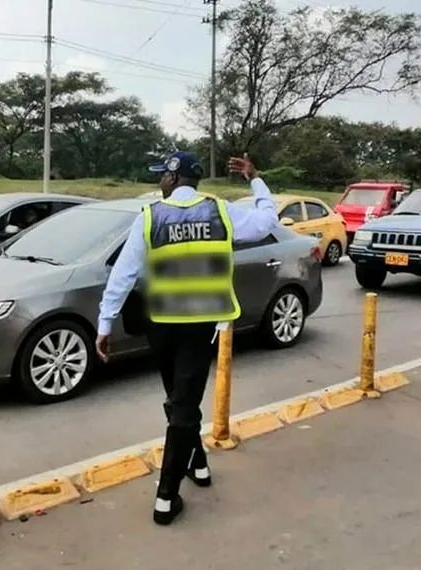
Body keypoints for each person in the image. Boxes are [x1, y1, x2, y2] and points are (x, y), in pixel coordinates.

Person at [94, 151, 279, 526]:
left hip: (161, 325)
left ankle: (166, 494)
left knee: (178, 402)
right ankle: (196, 463)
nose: (159, 181)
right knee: (182, 404)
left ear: (175, 178)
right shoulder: (220, 211)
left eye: (162, 175)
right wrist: (254, 179)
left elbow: (124, 274)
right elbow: (267, 221)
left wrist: (105, 323)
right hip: (200, 325)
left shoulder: (150, 217)